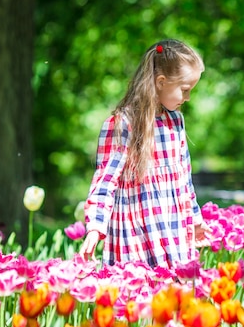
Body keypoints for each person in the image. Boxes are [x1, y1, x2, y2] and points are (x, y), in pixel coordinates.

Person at [79, 39, 210, 267]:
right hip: (136, 234)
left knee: (170, 295)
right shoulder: (122, 123)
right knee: (138, 296)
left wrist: (195, 219)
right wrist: (95, 227)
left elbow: (184, 181)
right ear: (161, 82)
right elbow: (105, 181)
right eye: (185, 90)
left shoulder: (175, 121)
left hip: (171, 229)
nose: (188, 98)